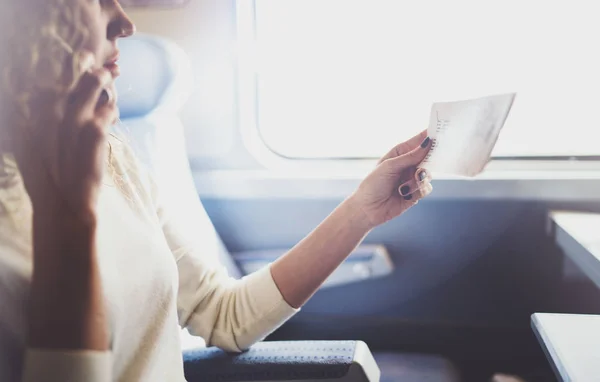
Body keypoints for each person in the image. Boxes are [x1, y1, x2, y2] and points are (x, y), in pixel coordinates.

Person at [0, 1, 433, 381]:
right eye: (95, 1)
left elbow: (224, 314)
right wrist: (71, 221)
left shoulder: (114, 159)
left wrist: (363, 210)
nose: (125, 24)